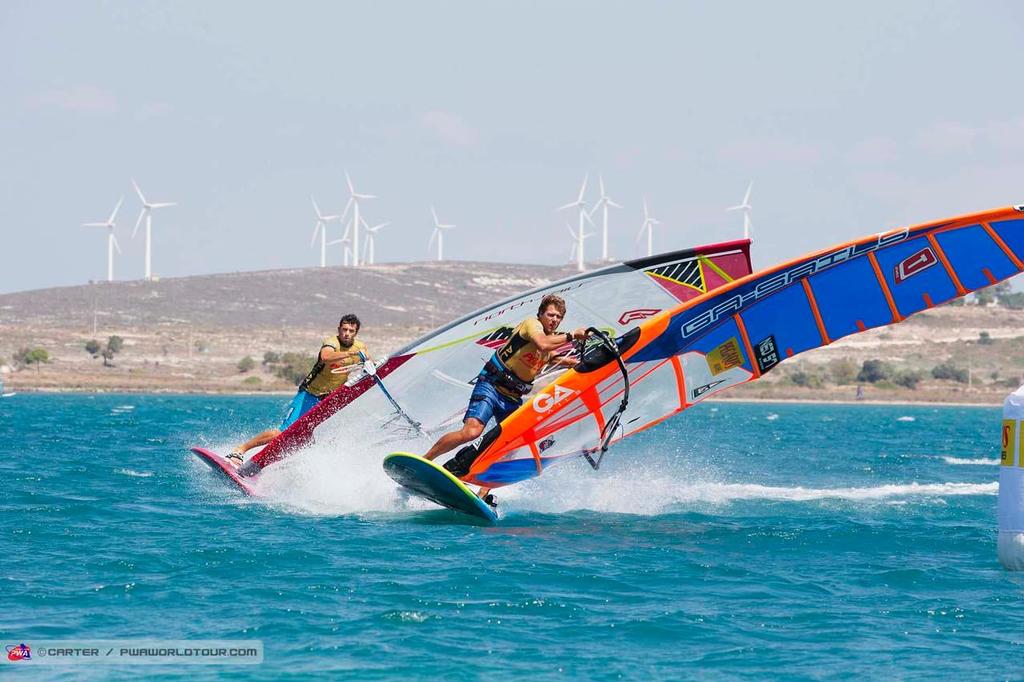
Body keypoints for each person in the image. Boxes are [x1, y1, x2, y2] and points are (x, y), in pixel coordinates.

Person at [423, 294, 586, 483]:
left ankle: (481, 489)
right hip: (491, 386)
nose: (554, 320)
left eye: (558, 317)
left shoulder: (551, 342)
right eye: (551, 315)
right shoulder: (532, 325)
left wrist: (581, 363)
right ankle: (426, 461)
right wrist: (572, 335)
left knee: (510, 449)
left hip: (512, 398)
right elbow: (541, 344)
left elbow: (551, 357)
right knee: (472, 433)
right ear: (541, 314)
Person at [228, 314, 370, 467]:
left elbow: (368, 362)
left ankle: (263, 465)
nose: (347, 333)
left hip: (328, 399)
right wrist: (349, 354)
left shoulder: (360, 347)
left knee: (306, 439)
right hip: (309, 394)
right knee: (282, 433)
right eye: (344, 329)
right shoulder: (331, 342)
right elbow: (326, 356)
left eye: (351, 331)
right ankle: (240, 450)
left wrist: (369, 364)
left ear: (356, 333)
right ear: (339, 329)